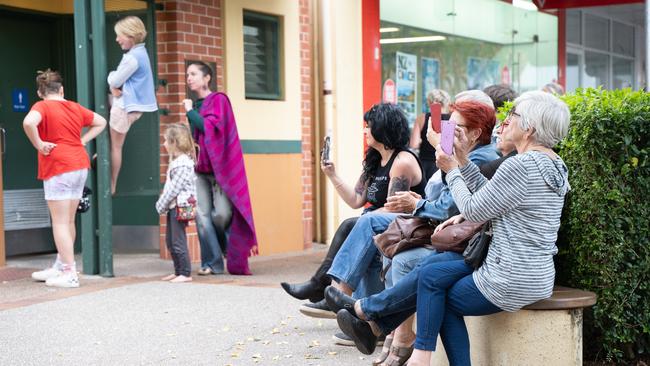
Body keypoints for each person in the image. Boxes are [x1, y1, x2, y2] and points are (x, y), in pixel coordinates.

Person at [333, 91, 571, 366]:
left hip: (509, 276)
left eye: (513, 116)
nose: (507, 121)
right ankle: (373, 320)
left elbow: (472, 209)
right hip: (535, 274)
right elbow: (488, 196)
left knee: (438, 293)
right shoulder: (554, 164)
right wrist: (462, 160)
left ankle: (397, 338)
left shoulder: (519, 166)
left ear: (529, 128)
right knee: (434, 275)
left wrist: (452, 169)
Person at [324, 100, 498, 364]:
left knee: (391, 243)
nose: (450, 130)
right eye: (449, 123)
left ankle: (378, 322)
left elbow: (457, 207)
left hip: (456, 237)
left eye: (457, 126)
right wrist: (333, 175)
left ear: (475, 133)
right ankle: (373, 321)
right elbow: (456, 201)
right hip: (445, 229)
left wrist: (420, 201)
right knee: (372, 229)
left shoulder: (478, 157)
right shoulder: (458, 155)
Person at [281, 103, 427, 318]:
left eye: (369, 126)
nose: (365, 131)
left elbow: (394, 208)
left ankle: (330, 290)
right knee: (354, 223)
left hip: (403, 224)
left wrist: (364, 219)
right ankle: (331, 293)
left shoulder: (402, 161)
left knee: (355, 224)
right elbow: (357, 200)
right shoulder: (375, 159)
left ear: (383, 128)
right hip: (376, 222)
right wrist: (332, 174)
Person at [25, 69, 106, 288]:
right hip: (79, 164)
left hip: (58, 165)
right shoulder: (74, 106)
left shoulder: (41, 106)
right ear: (61, 90)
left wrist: (39, 144)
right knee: (68, 220)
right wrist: (83, 140)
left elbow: (28, 122)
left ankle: (69, 273)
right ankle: (62, 265)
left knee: (60, 222)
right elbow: (101, 121)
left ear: (41, 92)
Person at [182, 61, 258, 276]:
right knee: (202, 216)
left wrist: (189, 112)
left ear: (207, 78)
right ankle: (212, 263)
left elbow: (210, 128)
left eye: (194, 74)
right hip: (200, 170)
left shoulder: (218, 100)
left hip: (220, 171)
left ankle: (228, 249)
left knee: (221, 215)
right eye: (188, 74)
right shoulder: (196, 106)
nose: (189, 78)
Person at [107, 15, 158, 195]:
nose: (117, 39)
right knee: (114, 143)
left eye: (119, 35)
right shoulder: (141, 53)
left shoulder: (131, 58)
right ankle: (101, 157)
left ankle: (112, 184)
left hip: (124, 107)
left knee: (116, 147)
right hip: (133, 107)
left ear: (130, 35)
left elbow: (115, 79)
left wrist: (112, 81)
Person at [155, 123, 197, 283]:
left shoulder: (183, 164)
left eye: (166, 140)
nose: (164, 143)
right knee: (170, 241)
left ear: (175, 143)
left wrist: (161, 204)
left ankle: (185, 273)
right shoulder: (177, 161)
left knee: (178, 240)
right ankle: (178, 270)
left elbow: (173, 189)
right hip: (173, 207)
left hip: (180, 206)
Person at [408, 89, 452, 181]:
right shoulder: (451, 119)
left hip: (424, 165)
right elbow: (448, 146)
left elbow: (414, 144)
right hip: (445, 165)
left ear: (429, 102)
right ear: (447, 102)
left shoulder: (422, 118)